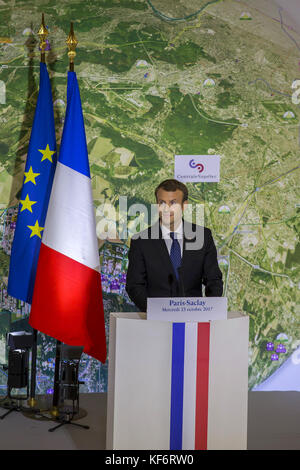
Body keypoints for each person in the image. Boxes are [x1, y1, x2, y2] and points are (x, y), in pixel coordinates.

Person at [126, 179, 223, 312]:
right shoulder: (141, 241)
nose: (166, 209)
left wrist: (208, 311)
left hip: (193, 321)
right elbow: (134, 285)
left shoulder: (203, 236)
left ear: (185, 206)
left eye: (173, 203)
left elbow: (214, 280)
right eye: (162, 203)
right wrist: (157, 312)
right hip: (156, 323)